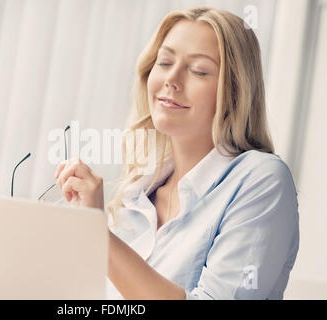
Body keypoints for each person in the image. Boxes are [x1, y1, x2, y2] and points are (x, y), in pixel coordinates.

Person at [53, 6, 299, 300]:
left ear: (235, 91)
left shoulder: (261, 179)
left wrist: (98, 236)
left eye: (199, 70)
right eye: (165, 61)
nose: (172, 79)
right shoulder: (137, 194)